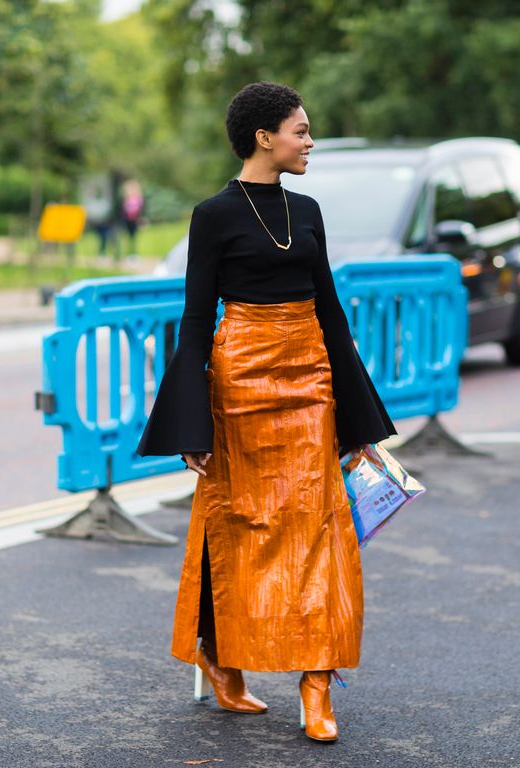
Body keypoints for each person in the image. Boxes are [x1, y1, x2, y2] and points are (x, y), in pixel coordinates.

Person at [137, 82, 395, 742]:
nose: (310, 142)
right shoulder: (213, 214)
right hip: (240, 379)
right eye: (301, 131)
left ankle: (316, 683)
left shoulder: (307, 211)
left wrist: (360, 417)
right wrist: (190, 422)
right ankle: (222, 661)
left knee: (319, 525)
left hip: (308, 374)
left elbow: (332, 312)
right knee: (238, 524)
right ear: (264, 137)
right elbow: (195, 321)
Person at [121, 179, 144, 260]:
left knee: (134, 238)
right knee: (129, 238)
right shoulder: (127, 199)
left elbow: (141, 210)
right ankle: (130, 254)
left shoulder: (138, 198)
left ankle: (134, 254)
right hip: (128, 221)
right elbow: (124, 210)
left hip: (135, 220)